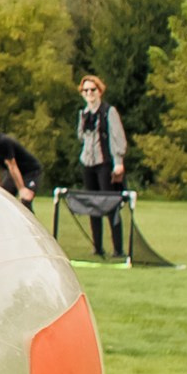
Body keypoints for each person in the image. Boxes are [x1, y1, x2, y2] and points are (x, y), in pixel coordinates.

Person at [76, 73, 128, 259]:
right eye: (86, 90)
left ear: (99, 91)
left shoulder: (108, 111)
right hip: (87, 162)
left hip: (105, 163)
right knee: (93, 205)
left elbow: (117, 137)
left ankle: (118, 248)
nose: (89, 93)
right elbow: (81, 137)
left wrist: (118, 162)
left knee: (110, 204)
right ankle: (97, 247)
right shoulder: (83, 114)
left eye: (92, 89)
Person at [0, 120, 41, 206]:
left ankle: (27, 219)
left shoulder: (3, 142)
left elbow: (12, 166)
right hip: (13, 172)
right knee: (3, 199)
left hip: (30, 172)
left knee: (25, 199)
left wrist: (21, 189)